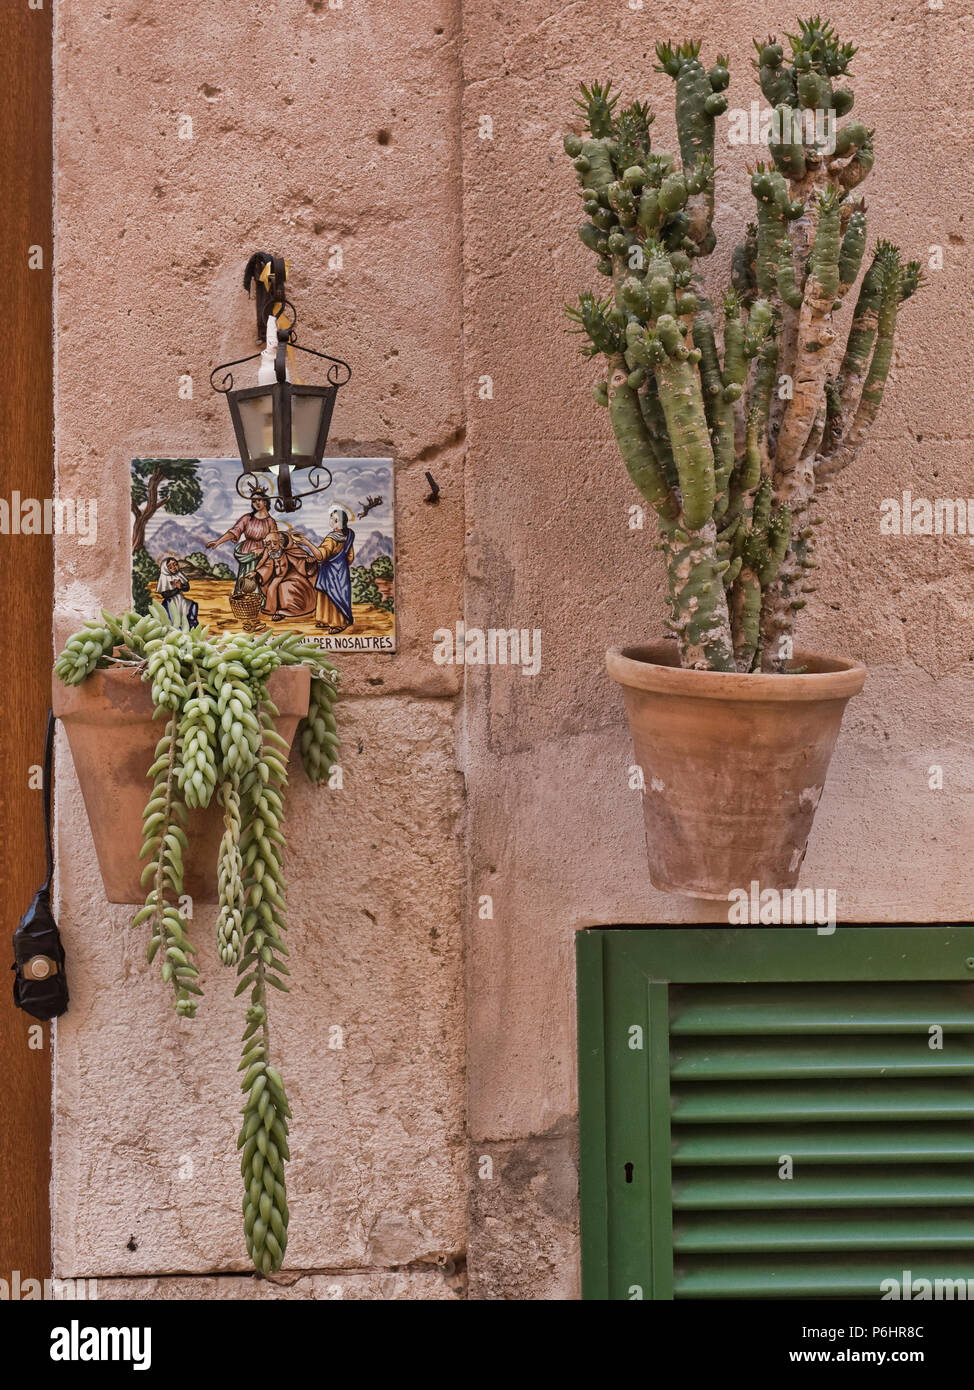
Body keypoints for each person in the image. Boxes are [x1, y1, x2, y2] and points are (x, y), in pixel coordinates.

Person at [206, 487, 279, 599]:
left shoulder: (271, 522)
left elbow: (274, 541)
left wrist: (262, 550)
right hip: (246, 553)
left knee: (259, 579)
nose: (256, 503)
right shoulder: (247, 518)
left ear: (265, 501)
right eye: (253, 501)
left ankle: (260, 603)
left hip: (262, 555)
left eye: (259, 500)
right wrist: (218, 542)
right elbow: (234, 532)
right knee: (244, 582)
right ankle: (244, 604)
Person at [302, 505, 356, 633]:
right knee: (337, 593)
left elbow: (321, 555)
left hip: (330, 571)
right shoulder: (348, 536)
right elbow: (350, 556)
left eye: (333, 518)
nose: (330, 520)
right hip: (341, 571)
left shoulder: (332, 538)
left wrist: (306, 543)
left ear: (338, 522)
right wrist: (340, 563)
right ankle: (325, 619)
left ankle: (338, 623)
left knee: (332, 594)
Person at [255, 533, 318, 621]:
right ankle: (277, 608)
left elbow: (301, 564)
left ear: (281, 543)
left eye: (275, 543)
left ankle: (290, 610)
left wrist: (308, 562)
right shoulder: (272, 555)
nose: (272, 546)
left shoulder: (291, 553)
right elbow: (267, 567)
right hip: (279, 580)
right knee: (272, 585)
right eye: (268, 544)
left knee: (285, 587)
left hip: (295, 581)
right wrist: (256, 574)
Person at [156, 557, 199, 627]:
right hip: (170, 602)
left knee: (193, 605)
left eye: (175, 564)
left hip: (181, 599)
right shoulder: (163, 578)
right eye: (170, 567)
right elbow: (165, 595)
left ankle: (192, 625)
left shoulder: (179, 575)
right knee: (172, 618)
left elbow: (187, 587)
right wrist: (178, 588)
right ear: (165, 569)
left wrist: (181, 586)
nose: (174, 568)